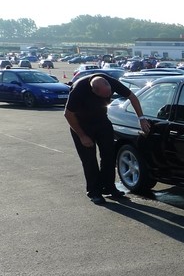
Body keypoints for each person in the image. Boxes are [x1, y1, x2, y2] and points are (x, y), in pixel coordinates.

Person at [64, 73, 150, 204]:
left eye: (109, 94)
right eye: (104, 96)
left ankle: (109, 187)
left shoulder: (110, 82)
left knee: (109, 155)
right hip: (81, 124)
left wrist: (141, 118)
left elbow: (132, 97)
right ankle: (94, 192)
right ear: (94, 91)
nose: (107, 97)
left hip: (102, 121)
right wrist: (82, 136)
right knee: (89, 160)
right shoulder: (79, 89)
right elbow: (68, 114)